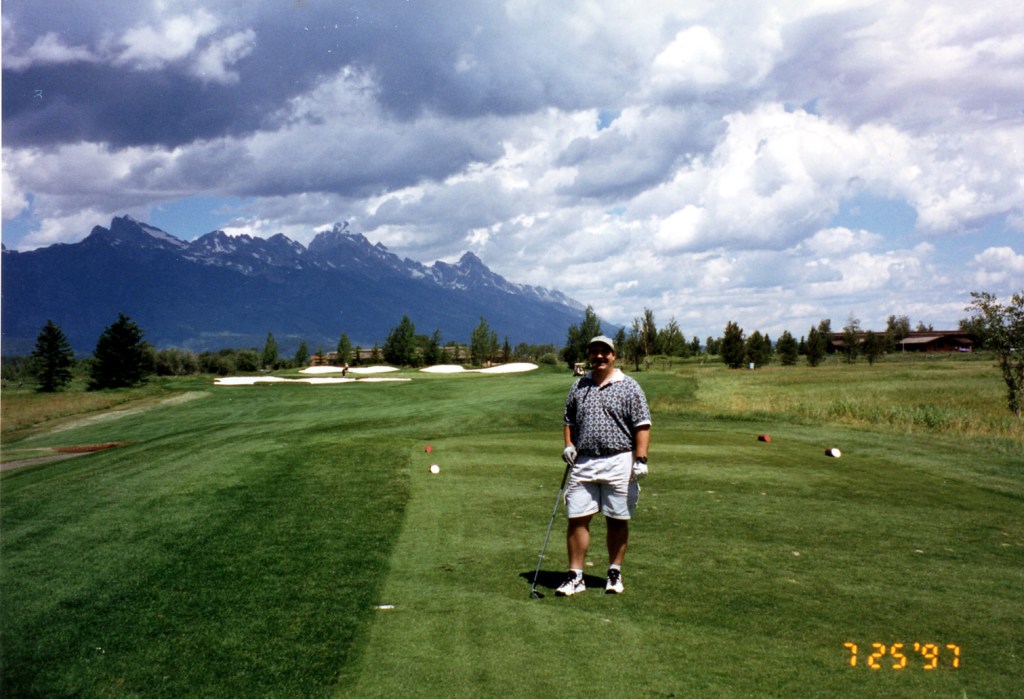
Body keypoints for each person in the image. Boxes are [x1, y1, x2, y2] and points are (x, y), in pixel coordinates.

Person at [557, 335, 651, 596]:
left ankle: (614, 572)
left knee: (617, 518)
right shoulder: (579, 386)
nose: (599, 356)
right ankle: (575, 576)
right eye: (594, 352)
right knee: (577, 517)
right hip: (584, 460)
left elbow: (642, 424)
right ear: (589, 355)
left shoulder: (630, 386)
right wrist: (568, 445)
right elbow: (569, 421)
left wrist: (641, 459)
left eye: (604, 352)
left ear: (613, 355)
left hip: (619, 459)